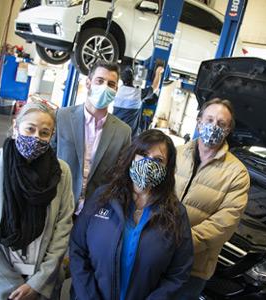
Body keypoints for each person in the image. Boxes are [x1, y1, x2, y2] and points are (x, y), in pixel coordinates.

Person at [0, 101, 75, 300]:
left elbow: (62, 229)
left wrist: (38, 284)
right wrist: (10, 286)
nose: (36, 137)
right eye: (30, 129)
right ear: (15, 127)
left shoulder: (61, 173)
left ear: (51, 136)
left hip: (38, 285)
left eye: (44, 133)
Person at [69, 129, 193, 300]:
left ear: (167, 170)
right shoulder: (102, 197)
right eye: (143, 154)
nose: (148, 163)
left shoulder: (176, 214)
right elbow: (78, 249)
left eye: (158, 160)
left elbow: (179, 272)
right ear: (132, 157)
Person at [175, 98, 250, 299]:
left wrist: (181, 243)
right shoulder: (176, 154)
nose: (213, 126)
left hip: (193, 269)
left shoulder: (237, 174)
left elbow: (224, 224)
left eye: (221, 124)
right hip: (154, 254)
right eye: (209, 119)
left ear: (228, 131)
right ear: (199, 121)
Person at [51, 60, 131, 215]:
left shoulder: (123, 132)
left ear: (116, 89)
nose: (105, 87)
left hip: (94, 213)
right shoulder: (62, 117)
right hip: (58, 207)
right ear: (88, 83)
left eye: (111, 84)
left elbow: (120, 177)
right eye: (99, 81)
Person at [113, 66, 163, 136]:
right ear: (133, 79)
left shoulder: (117, 91)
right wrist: (158, 73)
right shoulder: (137, 93)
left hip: (115, 129)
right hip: (129, 134)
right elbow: (155, 87)